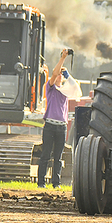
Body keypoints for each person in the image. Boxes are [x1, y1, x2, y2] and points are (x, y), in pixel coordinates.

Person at [37, 49, 71, 189]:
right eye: (58, 75)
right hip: (50, 125)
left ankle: (56, 183)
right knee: (45, 154)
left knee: (58, 157)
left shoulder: (65, 91)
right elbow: (54, 74)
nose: (58, 77)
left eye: (60, 76)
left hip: (61, 126)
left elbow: (75, 87)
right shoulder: (50, 88)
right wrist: (62, 58)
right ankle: (41, 182)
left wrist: (68, 77)